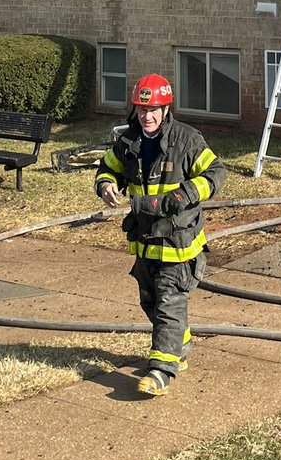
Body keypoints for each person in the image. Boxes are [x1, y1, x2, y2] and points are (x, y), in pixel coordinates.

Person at [95, 73, 226, 396]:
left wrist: (185, 195)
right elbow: (107, 167)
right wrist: (106, 185)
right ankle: (180, 344)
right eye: (142, 110)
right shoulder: (128, 142)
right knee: (150, 301)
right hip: (144, 240)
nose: (147, 116)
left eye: (154, 110)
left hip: (178, 244)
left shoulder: (187, 140)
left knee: (169, 304)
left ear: (167, 109)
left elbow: (216, 173)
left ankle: (161, 371)